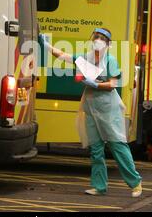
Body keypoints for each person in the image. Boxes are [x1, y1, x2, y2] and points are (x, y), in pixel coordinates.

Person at [39, 28, 143, 197]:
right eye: (96, 37)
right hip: (91, 108)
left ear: (108, 44)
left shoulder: (110, 61)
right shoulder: (85, 58)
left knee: (117, 145)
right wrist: (47, 46)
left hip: (108, 109)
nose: (98, 40)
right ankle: (99, 186)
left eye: (102, 38)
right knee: (96, 149)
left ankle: (135, 183)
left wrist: (96, 84)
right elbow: (64, 56)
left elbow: (114, 84)